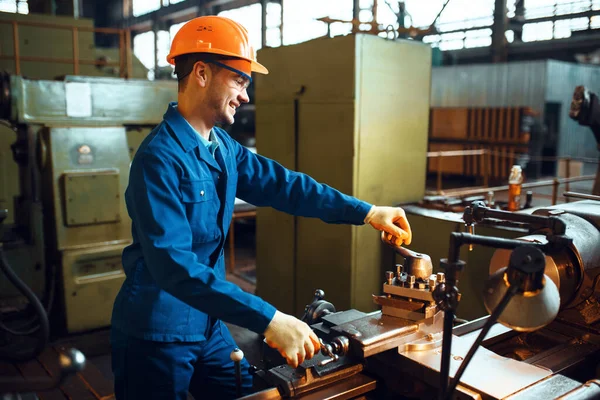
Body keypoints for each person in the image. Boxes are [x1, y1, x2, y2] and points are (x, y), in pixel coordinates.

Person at [110, 15, 413, 400]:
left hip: (210, 323)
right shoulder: (159, 159)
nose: (245, 96)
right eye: (239, 80)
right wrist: (270, 320)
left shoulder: (222, 148)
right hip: (158, 330)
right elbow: (174, 267)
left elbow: (287, 186)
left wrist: (367, 212)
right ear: (201, 73)